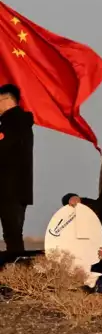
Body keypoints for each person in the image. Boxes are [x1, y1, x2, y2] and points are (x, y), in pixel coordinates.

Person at [0, 84, 34, 258]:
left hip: (10, 190)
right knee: (13, 235)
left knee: (12, 236)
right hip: (15, 190)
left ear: (5, 99)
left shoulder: (13, 123)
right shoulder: (18, 123)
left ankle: (15, 276)